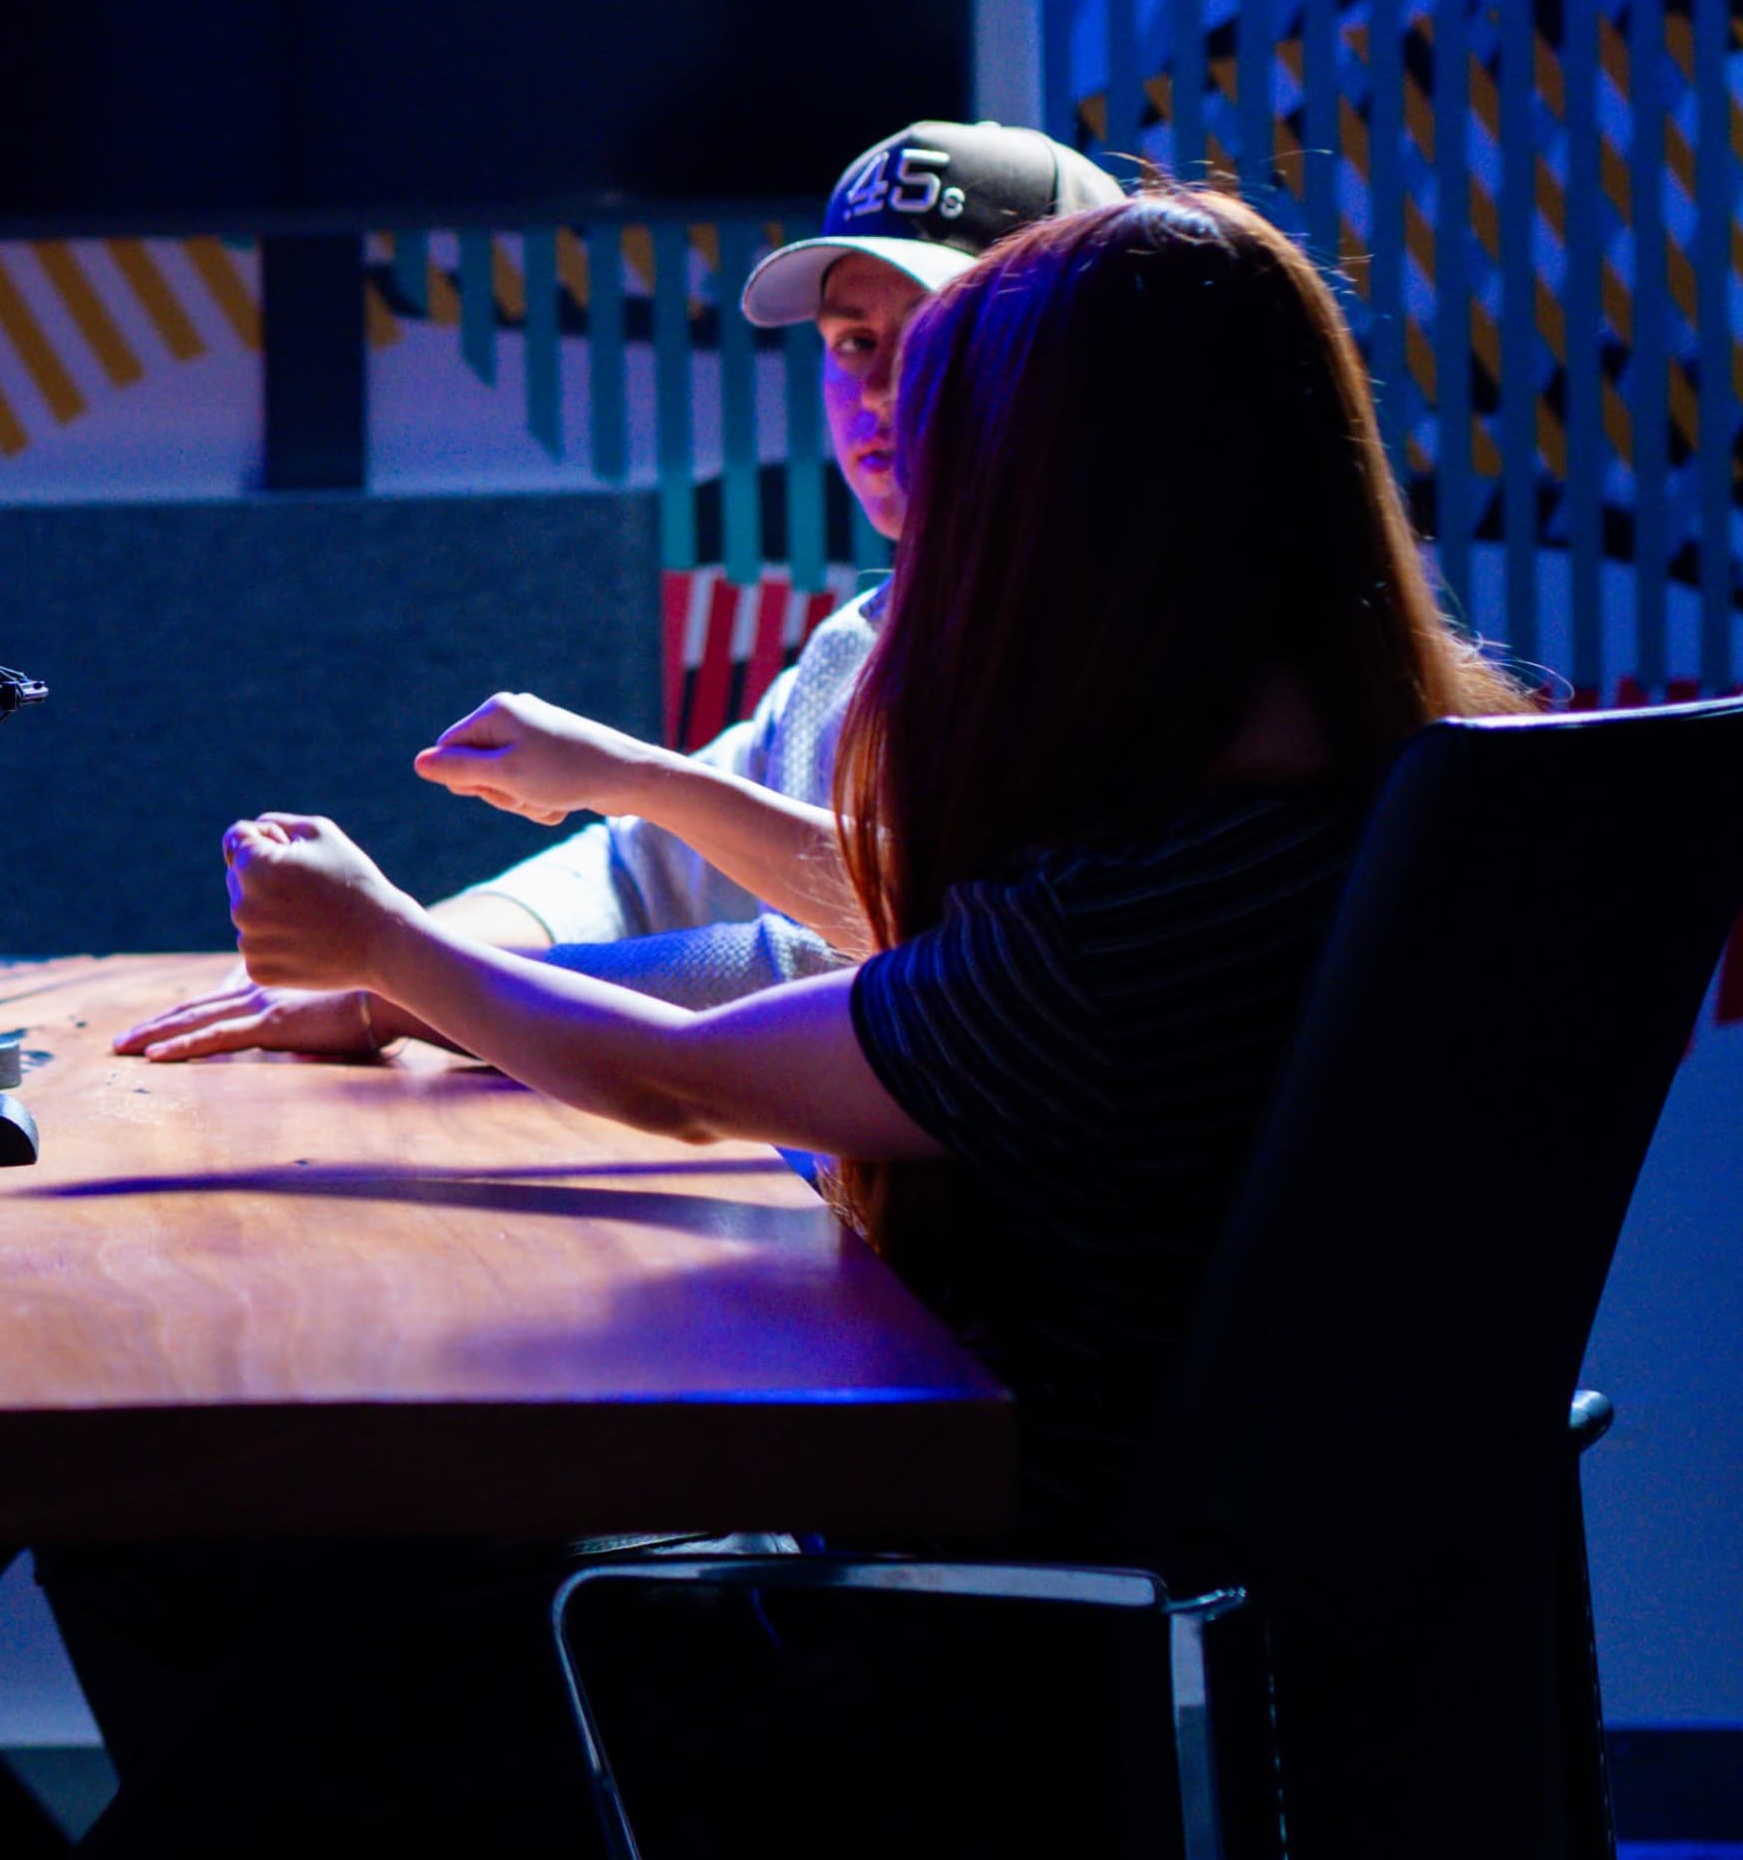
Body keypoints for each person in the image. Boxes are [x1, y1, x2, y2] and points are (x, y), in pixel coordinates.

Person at [84, 192, 1528, 1856]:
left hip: (928, 1612)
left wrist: (388, 941)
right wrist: (577, 822)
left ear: (1100, 515)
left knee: (294, 1594)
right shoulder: (1379, 803)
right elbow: (884, 903)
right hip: (1092, 1561)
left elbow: (679, 1076)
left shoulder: (1119, 928)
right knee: (239, 1572)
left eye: (975, 474)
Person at [119, 120, 1123, 1063]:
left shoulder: (1121, 639)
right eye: (852, 341)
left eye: (939, 340)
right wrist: (379, 963)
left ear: (1068, 353)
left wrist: (407, 983)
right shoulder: (858, 645)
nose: (878, 391)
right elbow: (641, 876)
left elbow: (868, 957)